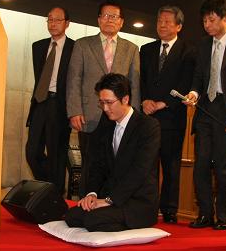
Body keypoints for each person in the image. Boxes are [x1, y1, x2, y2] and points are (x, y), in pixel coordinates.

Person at [183, 0, 226, 230]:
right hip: (205, 108)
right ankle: (205, 214)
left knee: (223, 167)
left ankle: (225, 216)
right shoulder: (203, 45)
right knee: (201, 164)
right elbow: (198, 77)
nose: (207, 25)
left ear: (225, 17)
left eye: (211, 20)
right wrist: (193, 92)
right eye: (204, 21)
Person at [64, 74, 160, 232]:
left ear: (125, 99)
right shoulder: (106, 123)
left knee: (92, 220)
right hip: (111, 197)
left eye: (109, 102)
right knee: (72, 216)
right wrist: (92, 194)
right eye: (101, 103)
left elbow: (139, 171)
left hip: (136, 201)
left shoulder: (148, 126)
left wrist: (110, 200)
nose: (105, 108)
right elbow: (98, 165)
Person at [66, 1, 141, 195]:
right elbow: (74, 79)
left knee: (115, 163)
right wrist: (74, 111)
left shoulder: (132, 49)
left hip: (119, 116)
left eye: (114, 16)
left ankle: (108, 202)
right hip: (88, 114)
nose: (109, 20)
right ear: (99, 20)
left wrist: (134, 118)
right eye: (105, 16)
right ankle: (85, 200)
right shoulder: (82, 45)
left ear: (121, 22)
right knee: (89, 163)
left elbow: (134, 85)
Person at [140, 5, 195, 224]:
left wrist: (164, 103)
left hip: (172, 117)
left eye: (167, 22)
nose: (162, 25)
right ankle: (148, 206)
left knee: (171, 166)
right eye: (159, 21)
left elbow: (187, 82)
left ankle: (170, 209)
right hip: (147, 117)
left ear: (178, 26)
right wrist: (144, 100)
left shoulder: (188, 51)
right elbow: (141, 80)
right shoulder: (146, 49)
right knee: (147, 166)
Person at [25, 7, 75, 196]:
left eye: (57, 20)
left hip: (60, 105)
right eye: (50, 20)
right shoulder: (38, 46)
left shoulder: (75, 48)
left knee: (57, 154)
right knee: (32, 152)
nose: (53, 24)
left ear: (67, 23)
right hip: (40, 103)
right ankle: (50, 186)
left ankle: (54, 195)